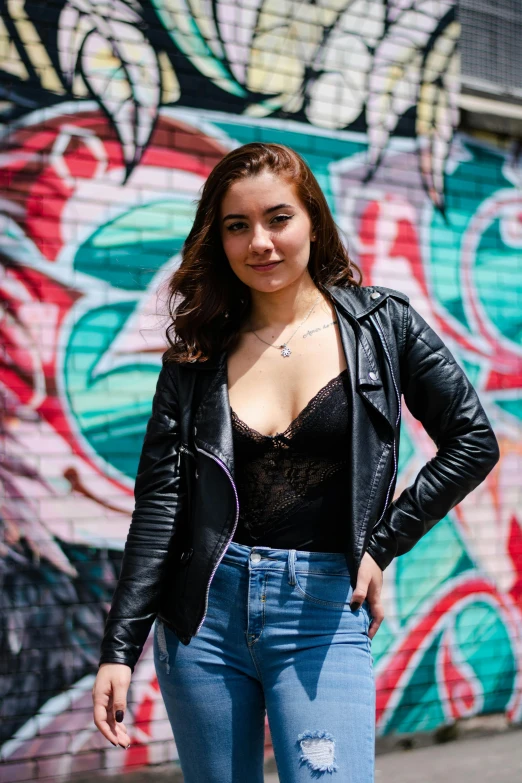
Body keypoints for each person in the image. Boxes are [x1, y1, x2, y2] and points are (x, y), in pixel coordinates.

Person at [92, 143, 499, 782]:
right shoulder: (195, 360)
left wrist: (381, 545)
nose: (261, 242)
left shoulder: (382, 325)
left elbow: (473, 440)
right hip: (204, 620)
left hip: (321, 609)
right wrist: (119, 650)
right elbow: (161, 509)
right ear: (218, 240)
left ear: (312, 219)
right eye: (237, 226)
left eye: (278, 218)